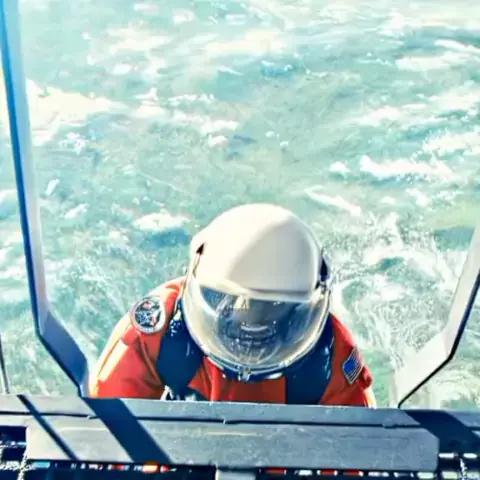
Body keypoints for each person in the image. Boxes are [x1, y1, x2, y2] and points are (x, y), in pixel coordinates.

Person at [89, 203, 376, 407]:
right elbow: (111, 423)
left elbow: (355, 445)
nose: (251, 321)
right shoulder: (161, 329)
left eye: (272, 307)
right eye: (235, 302)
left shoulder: (330, 355)